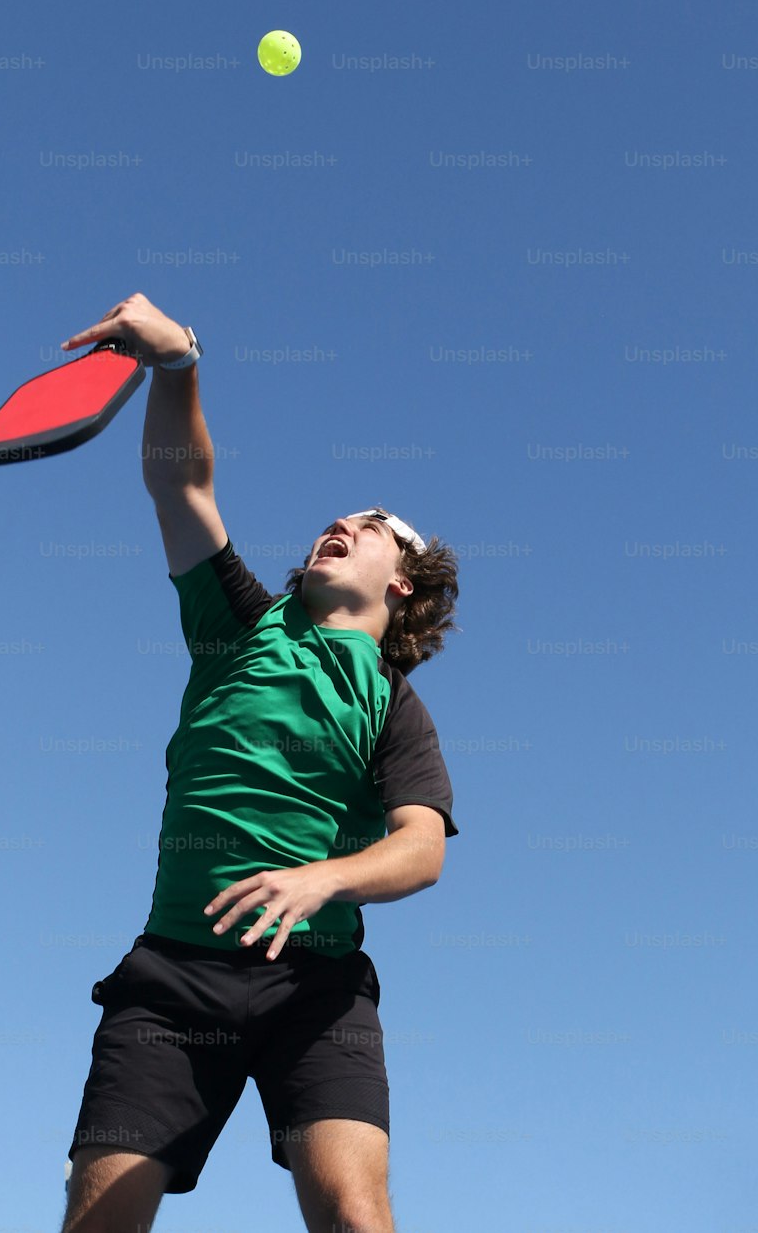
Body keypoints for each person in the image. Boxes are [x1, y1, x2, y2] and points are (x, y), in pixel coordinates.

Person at [57, 293, 460, 1233]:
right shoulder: (241, 625)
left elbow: (422, 849)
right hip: (172, 975)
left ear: (401, 578)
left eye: (369, 524)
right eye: (336, 516)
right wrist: (176, 362)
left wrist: (325, 880)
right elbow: (182, 486)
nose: (341, 523)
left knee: (357, 1215)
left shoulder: (395, 706)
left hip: (313, 987)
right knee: (97, 1218)